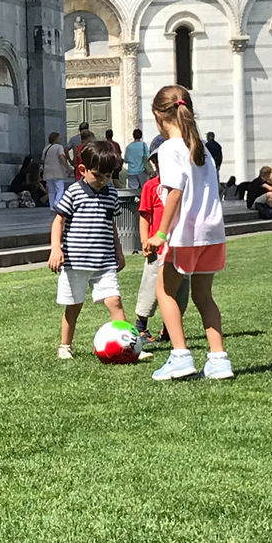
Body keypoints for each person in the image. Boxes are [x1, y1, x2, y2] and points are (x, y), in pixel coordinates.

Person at [143, 85, 233, 381]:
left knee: (165, 291)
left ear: (159, 116)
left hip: (185, 233)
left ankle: (180, 355)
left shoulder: (169, 149)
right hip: (212, 232)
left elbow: (175, 193)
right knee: (204, 295)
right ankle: (219, 360)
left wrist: (160, 234)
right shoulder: (202, 148)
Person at [48, 139, 140, 360]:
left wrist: (119, 252)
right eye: (97, 175)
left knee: (115, 301)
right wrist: (56, 249)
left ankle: (128, 344)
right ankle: (65, 345)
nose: (102, 181)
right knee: (74, 306)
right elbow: (58, 221)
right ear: (83, 170)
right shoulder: (73, 193)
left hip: (104, 262)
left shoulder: (111, 194)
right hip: (76, 262)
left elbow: (111, 224)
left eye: (107, 176)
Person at [134, 146, 189, 343]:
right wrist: (144, 240)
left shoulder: (184, 185)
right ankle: (141, 327)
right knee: (150, 286)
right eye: (156, 162)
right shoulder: (151, 186)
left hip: (180, 244)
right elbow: (144, 215)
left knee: (181, 289)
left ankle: (169, 328)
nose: (159, 165)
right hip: (157, 246)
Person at [41, 133, 71, 209]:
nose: (60, 140)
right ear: (56, 139)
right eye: (59, 138)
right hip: (57, 171)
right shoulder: (59, 147)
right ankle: (57, 203)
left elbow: (43, 159)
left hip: (47, 171)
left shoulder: (46, 148)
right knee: (60, 189)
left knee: (51, 191)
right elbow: (61, 157)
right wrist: (67, 167)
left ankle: (52, 206)